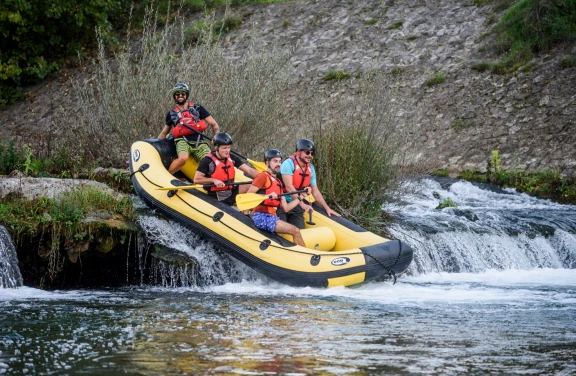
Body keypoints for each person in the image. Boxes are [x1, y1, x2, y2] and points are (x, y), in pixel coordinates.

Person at [246, 149, 311, 247]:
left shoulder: (279, 183)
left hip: (272, 217)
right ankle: (305, 256)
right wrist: (266, 196)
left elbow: (286, 208)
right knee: (295, 231)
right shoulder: (263, 176)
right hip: (261, 217)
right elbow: (248, 196)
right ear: (267, 163)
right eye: (275, 161)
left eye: (280, 161)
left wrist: (301, 197)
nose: (278, 164)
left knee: (282, 234)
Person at [158, 83, 220, 175]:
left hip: (200, 142)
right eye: (177, 94)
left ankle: (206, 181)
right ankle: (167, 176)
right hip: (182, 141)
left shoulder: (198, 108)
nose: (180, 96)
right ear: (174, 96)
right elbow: (164, 133)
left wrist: (217, 138)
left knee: (210, 162)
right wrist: (156, 145)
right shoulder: (171, 114)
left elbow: (213, 124)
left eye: (182, 94)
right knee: (183, 158)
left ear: (186, 95)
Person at [279, 138, 340, 229]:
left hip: (296, 204)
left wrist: (327, 208)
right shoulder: (288, 164)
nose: (310, 155)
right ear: (298, 152)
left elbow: (315, 191)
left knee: (300, 231)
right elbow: (289, 188)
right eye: (307, 152)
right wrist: (303, 204)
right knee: (281, 230)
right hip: (281, 202)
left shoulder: (310, 168)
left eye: (312, 153)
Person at [193, 132, 258, 205]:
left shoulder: (232, 158)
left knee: (254, 184)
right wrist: (214, 180)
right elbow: (196, 179)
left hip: (231, 192)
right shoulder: (208, 161)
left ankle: (246, 211)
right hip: (216, 196)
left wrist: (263, 176)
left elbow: (249, 170)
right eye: (224, 148)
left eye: (229, 147)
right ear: (217, 147)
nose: (227, 151)